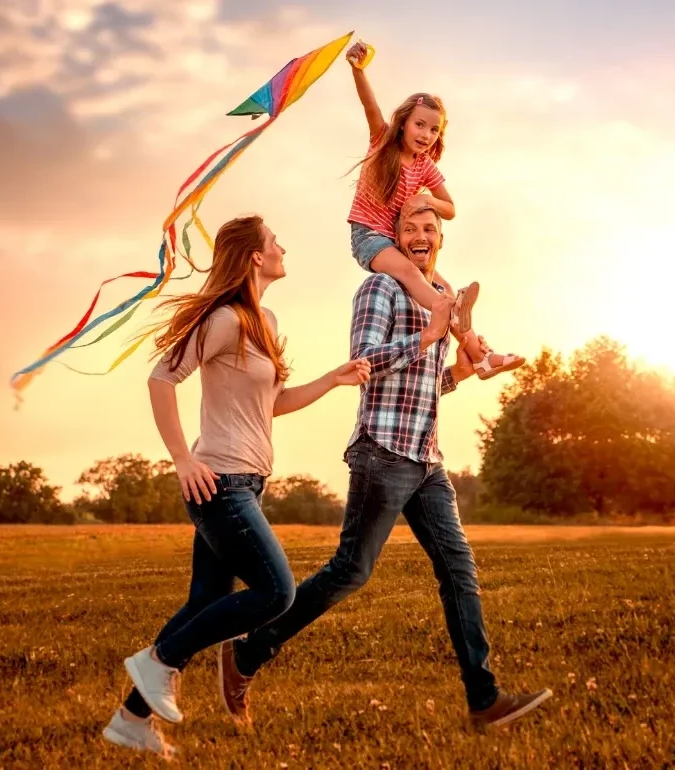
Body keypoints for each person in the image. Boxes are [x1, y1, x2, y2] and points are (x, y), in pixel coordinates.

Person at [218, 203, 553, 729]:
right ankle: (247, 654)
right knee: (350, 571)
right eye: (409, 229)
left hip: (427, 457)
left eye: (430, 229)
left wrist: (461, 372)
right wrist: (429, 334)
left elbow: (424, 387)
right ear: (394, 241)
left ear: (439, 241)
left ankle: (483, 701)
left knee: (459, 571)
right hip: (383, 452)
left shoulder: (435, 299)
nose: (421, 236)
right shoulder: (380, 290)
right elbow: (365, 362)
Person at [101, 215, 372, 758]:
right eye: (275, 241)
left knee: (207, 598)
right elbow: (162, 377)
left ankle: (130, 721)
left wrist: (332, 379)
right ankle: (158, 661)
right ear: (254, 255)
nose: (283, 247)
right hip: (218, 481)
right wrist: (181, 458)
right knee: (277, 592)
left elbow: (271, 404)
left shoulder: (262, 319)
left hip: (246, 481)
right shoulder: (223, 318)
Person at [343, 39, 524, 382]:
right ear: (403, 123)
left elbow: (450, 208)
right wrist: (358, 70)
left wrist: (427, 200)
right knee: (416, 279)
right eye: (419, 125)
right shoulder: (382, 142)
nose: (426, 134)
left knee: (445, 288)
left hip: (395, 242)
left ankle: (482, 358)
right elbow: (370, 106)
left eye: (433, 129)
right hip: (368, 237)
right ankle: (447, 310)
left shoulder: (425, 166)